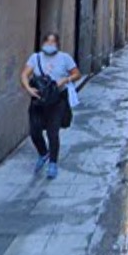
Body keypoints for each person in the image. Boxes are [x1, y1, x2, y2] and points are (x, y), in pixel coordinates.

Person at [21, 32, 80, 179]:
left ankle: (53, 163)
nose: (50, 45)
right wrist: (28, 88)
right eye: (47, 42)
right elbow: (24, 75)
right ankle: (43, 153)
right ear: (43, 44)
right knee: (34, 131)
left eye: (53, 43)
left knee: (53, 133)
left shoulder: (64, 58)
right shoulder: (35, 58)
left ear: (57, 44)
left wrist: (65, 80)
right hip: (39, 100)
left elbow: (76, 74)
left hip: (57, 100)